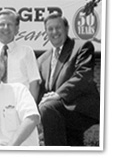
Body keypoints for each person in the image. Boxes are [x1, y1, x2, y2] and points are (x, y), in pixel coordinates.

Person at [37, 13, 100, 146]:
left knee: (47, 108)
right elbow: (41, 89)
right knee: (47, 109)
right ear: (46, 32)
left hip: (80, 109)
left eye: (58, 27)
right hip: (57, 112)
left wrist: (58, 95)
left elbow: (83, 76)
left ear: (67, 29)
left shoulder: (82, 46)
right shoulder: (42, 60)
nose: (54, 32)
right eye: (50, 29)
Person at [0, 9, 41, 102]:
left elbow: (34, 83)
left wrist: (30, 109)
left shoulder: (27, 51)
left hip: (20, 104)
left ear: (16, 28)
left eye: (10, 24)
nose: (5, 27)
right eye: (2, 24)